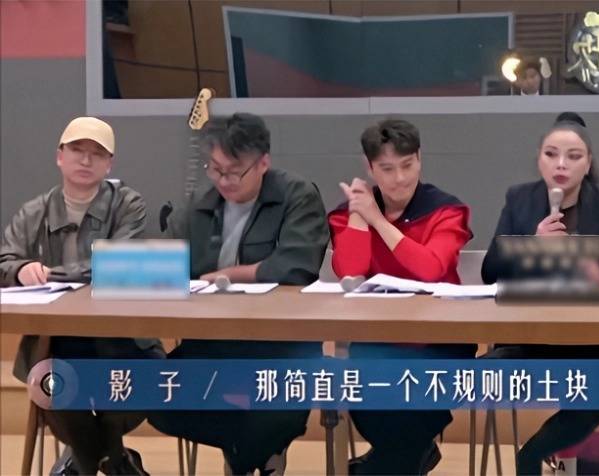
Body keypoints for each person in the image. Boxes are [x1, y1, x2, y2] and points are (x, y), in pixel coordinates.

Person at [148, 113, 330, 474]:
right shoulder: (201, 202)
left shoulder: (296, 196)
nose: (223, 181)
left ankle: (249, 454)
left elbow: (297, 265)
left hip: (279, 347)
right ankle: (252, 453)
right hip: (211, 344)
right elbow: (165, 260)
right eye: (215, 170)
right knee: (155, 398)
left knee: (276, 411)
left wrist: (229, 275)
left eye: (234, 172)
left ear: (263, 163)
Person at [481, 120, 599, 475]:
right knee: (479, 373)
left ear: (588, 164)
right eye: (551, 154)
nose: (561, 164)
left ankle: (533, 454)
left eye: (573, 156)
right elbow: (490, 271)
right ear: (539, 159)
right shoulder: (519, 199)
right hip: (533, 338)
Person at [0, 116, 162, 475]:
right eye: (77, 150)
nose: (86, 160)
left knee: (141, 381)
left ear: (109, 164)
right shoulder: (33, 212)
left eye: (97, 154)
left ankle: (83, 460)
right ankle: (116, 461)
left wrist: (52, 273)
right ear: (60, 156)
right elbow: (4, 261)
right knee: (51, 384)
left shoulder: (129, 205)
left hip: (123, 339)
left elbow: (117, 261)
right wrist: (20, 269)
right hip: (56, 343)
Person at [328, 119, 474, 474]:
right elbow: (350, 272)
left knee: (406, 417)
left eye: (408, 165)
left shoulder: (446, 210)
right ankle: (413, 454)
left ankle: (383, 465)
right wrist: (359, 216)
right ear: (369, 168)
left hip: (439, 343)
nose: (399, 179)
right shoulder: (350, 212)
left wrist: (378, 221)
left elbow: (430, 268)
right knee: (368, 402)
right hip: (378, 340)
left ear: (420, 159)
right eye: (387, 169)